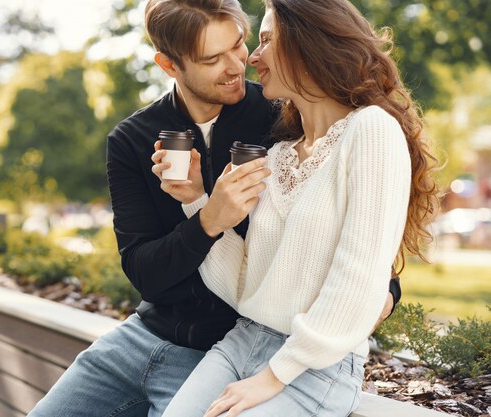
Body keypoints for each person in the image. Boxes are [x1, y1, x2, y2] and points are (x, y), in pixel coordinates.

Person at [26, 1, 400, 416]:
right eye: (212, 59)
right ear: (170, 66)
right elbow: (145, 272)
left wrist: (380, 291)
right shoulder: (134, 139)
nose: (239, 65)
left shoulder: (282, 113)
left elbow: (360, 229)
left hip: (230, 346)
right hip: (154, 333)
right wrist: (202, 212)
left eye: (239, 44)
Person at [155, 0, 440, 416]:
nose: (252, 57)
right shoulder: (278, 156)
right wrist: (195, 199)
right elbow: (243, 283)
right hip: (240, 343)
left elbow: (358, 280)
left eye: (267, 40)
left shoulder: (372, 131)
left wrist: (274, 375)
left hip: (315, 365)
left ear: (308, 44)